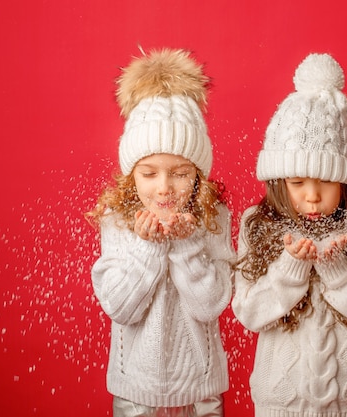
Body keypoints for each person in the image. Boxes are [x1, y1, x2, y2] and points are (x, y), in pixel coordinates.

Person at [232, 53, 347, 417]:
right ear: (278, 182)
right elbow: (249, 312)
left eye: (325, 181)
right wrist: (291, 268)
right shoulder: (257, 226)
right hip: (279, 405)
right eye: (297, 183)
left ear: (344, 179)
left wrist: (337, 269)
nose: (311, 195)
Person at [87, 48, 235, 417]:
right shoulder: (118, 220)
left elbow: (210, 304)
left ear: (198, 174)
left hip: (200, 388)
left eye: (180, 173)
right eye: (149, 173)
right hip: (136, 389)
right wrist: (148, 248)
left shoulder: (211, 218)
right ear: (130, 175)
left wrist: (186, 245)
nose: (164, 187)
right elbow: (121, 309)